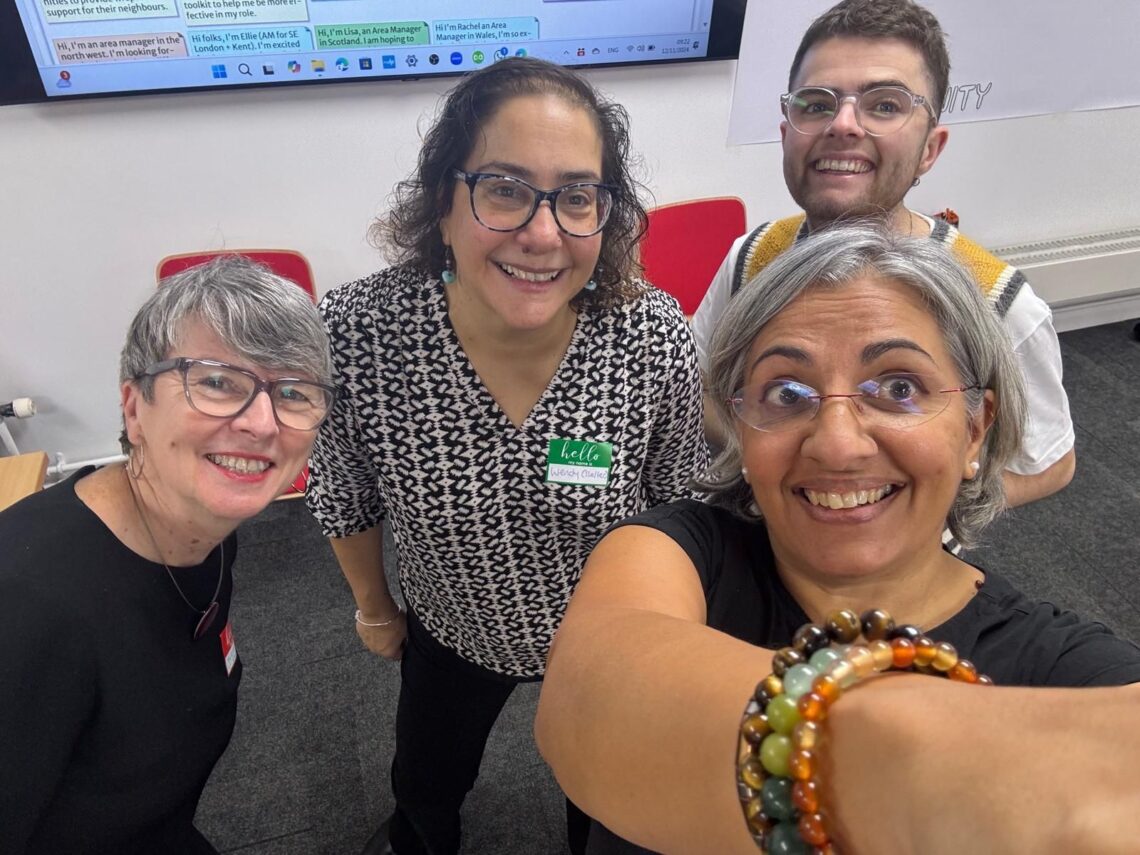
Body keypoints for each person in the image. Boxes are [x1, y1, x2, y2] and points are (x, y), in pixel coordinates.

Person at [536, 225, 1140, 855]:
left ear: (974, 432)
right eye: (786, 393)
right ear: (742, 431)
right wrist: (928, 773)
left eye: (898, 388)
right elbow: (589, 695)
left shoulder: (1073, 671)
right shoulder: (676, 551)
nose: (837, 443)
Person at [304, 57, 708, 855]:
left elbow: (681, 505)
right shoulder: (360, 334)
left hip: (609, 633)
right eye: (505, 188)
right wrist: (377, 608)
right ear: (443, 203)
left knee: (609, 803)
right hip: (450, 624)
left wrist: (671, 649)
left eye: (577, 197)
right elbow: (344, 494)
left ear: (606, 215)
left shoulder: (650, 336)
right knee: (425, 784)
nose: (543, 232)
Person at [0, 256, 337, 854]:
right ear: (134, 407)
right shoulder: (27, 608)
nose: (262, 423)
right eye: (216, 382)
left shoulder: (201, 525)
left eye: (292, 392)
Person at [690, 0, 1075, 513]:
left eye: (885, 105)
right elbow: (699, 388)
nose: (843, 124)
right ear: (787, 136)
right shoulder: (751, 258)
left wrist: (922, 512)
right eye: (817, 104)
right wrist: (764, 467)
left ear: (929, 150)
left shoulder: (998, 304)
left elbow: (1050, 463)